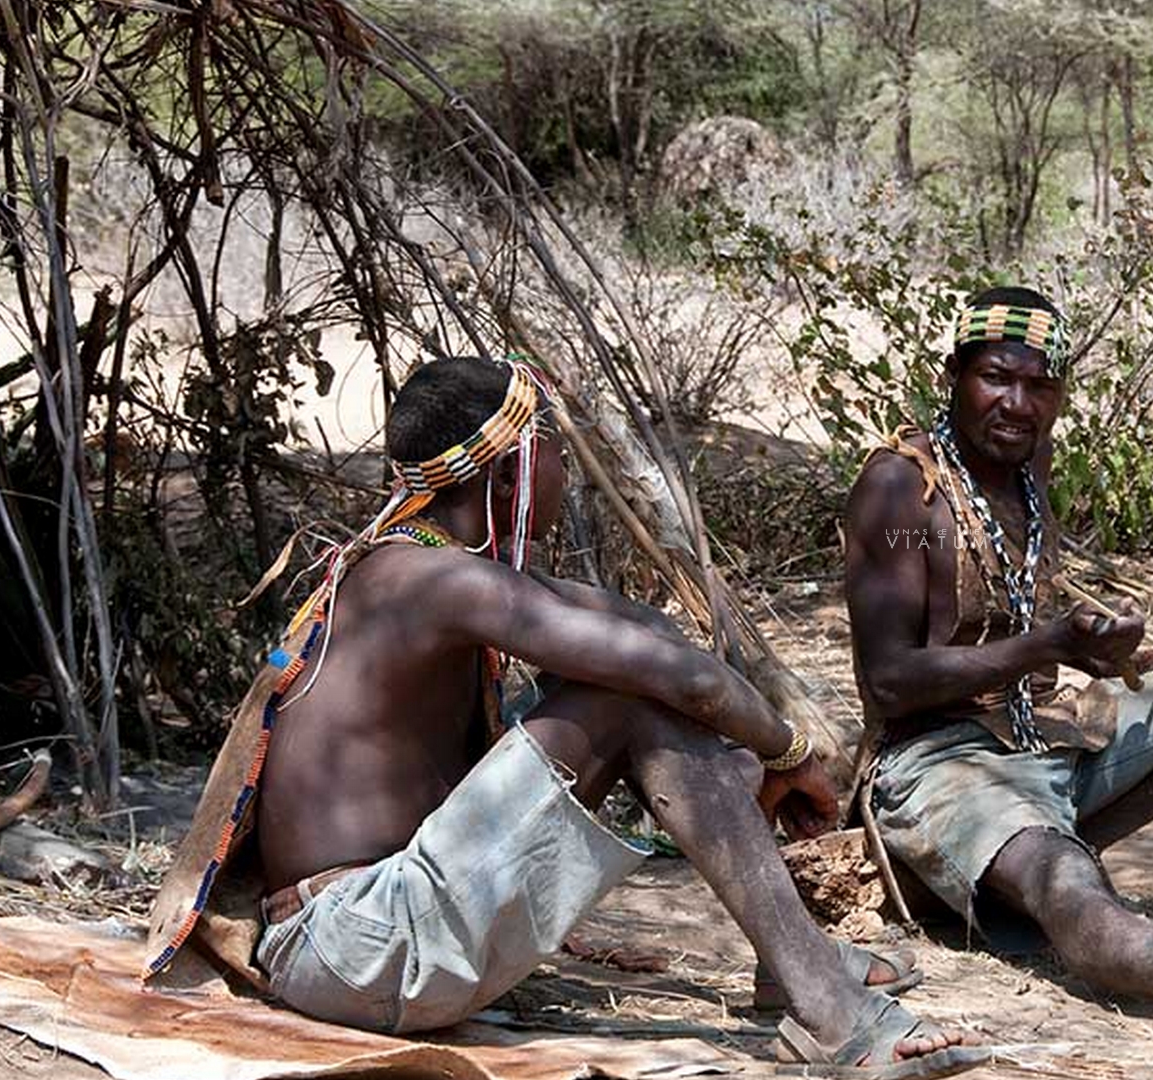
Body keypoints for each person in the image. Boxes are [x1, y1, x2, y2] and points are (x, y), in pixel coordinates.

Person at [144, 357, 990, 1079]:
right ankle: (831, 1009)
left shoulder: (435, 568)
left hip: (359, 947)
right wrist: (794, 749)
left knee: (663, 714)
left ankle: (794, 964)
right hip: (363, 950)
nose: (563, 470)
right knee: (630, 698)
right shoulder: (438, 583)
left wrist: (749, 757)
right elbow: (670, 674)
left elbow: (644, 632)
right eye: (550, 447)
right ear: (510, 470)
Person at [842, 287, 1153, 1011]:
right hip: (935, 759)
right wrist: (1050, 645)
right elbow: (886, 683)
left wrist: (1094, 639)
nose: (1017, 403)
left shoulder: (1027, 465)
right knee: (1060, 876)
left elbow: (1015, 609)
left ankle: (1048, 845)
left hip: (1047, 728)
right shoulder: (900, 487)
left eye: (1040, 385)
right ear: (953, 377)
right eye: (996, 378)